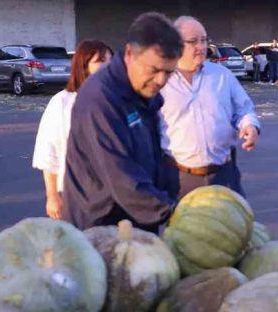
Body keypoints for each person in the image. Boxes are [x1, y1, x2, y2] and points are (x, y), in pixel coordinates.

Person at [62, 12, 183, 232]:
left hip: (138, 221)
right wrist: (170, 210)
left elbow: (158, 151)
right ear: (129, 54)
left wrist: (173, 194)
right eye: (154, 70)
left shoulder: (143, 89)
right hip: (101, 227)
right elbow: (120, 174)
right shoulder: (99, 99)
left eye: (169, 72)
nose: (161, 81)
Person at [159, 16, 261, 200]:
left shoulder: (222, 75)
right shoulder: (160, 81)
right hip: (179, 179)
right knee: (183, 228)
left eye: (204, 40)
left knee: (233, 227)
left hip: (224, 175)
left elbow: (244, 110)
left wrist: (250, 126)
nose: (201, 46)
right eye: (193, 41)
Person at [32, 40, 113, 219]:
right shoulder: (62, 102)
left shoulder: (117, 101)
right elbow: (48, 153)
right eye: (100, 61)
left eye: (110, 61)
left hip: (114, 197)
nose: (108, 66)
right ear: (83, 66)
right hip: (75, 196)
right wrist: (52, 196)